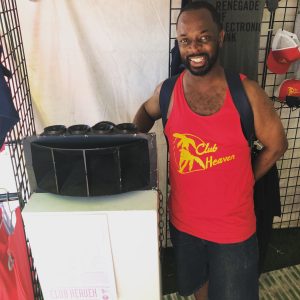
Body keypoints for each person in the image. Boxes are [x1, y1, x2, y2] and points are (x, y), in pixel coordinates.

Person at [133, 2, 288, 299]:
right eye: (185, 40)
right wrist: (135, 147)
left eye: (203, 37)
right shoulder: (167, 91)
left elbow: (277, 144)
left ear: (220, 37)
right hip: (184, 226)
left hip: (233, 232)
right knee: (199, 294)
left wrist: (247, 178)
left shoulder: (247, 93)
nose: (194, 48)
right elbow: (144, 113)